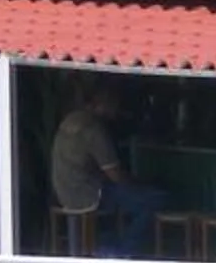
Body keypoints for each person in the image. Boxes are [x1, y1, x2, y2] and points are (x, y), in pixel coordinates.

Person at [49, 83, 163, 253]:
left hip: (63, 193)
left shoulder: (70, 120)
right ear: (102, 103)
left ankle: (110, 244)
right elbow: (115, 174)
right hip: (89, 195)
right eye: (114, 104)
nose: (116, 109)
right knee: (154, 200)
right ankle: (122, 251)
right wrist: (138, 183)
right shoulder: (93, 129)